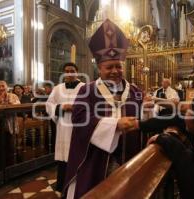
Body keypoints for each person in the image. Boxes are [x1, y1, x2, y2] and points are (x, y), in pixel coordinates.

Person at [63, 19, 145, 199]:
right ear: (99, 68)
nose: (115, 71)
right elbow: (80, 118)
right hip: (96, 160)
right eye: (109, 67)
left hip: (129, 157)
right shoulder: (87, 90)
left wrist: (149, 112)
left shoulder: (136, 91)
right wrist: (115, 125)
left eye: (118, 66)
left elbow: (142, 118)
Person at [46, 62, 84, 192]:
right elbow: (49, 104)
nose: (69, 73)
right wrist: (61, 107)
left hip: (78, 125)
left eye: (72, 71)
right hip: (62, 126)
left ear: (77, 72)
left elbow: (90, 105)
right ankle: (63, 185)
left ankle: (79, 185)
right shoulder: (57, 88)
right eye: (66, 71)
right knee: (64, 157)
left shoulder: (84, 87)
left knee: (77, 154)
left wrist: (75, 108)